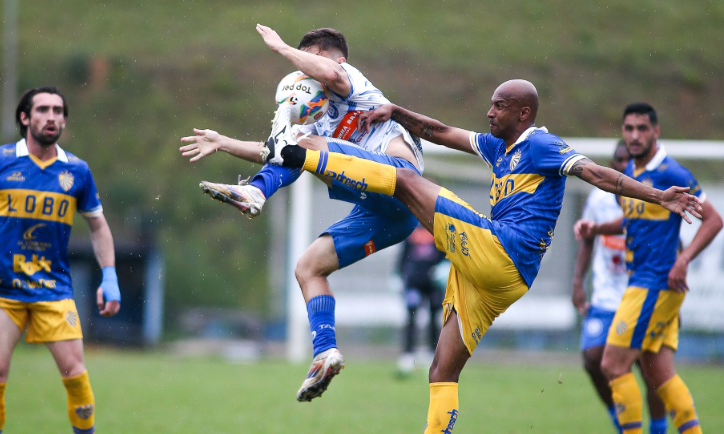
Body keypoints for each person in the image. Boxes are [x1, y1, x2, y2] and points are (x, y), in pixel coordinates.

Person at [261, 79, 703, 433]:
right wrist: (395, 111)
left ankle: (294, 153)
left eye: (499, 106)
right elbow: (439, 132)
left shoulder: (540, 145)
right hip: (501, 278)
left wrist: (657, 195)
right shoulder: (497, 147)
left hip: (502, 250)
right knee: (441, 370)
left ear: (523, 113)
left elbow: (597, 173)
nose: (490, 112)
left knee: (406, 180)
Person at [179, 25, 424, 402]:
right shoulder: (318, 120)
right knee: (308, 267)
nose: (303, 72)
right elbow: (278, 151)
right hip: (389, 214)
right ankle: (325, 352)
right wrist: (223, 142)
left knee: (301, 146)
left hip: (401, 180)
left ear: (336, 59)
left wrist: (280, 48)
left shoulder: (352, 82)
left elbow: (328, 77)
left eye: (309, 60)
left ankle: (255, 193)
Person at [0, 86, 121, 434]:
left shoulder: (77, 171)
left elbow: (98, 227)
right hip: (4, 289)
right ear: (25, 117)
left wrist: (109, 276)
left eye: (59, 111)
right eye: (43, 109)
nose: (52, 117)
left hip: (54, 290)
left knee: (76, 377)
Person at [575, 103, 722, 434]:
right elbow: (632, 219)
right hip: (646, 283)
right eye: (629, 128)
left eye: (642, 128)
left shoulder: (673, 174)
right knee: (659, 375)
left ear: (656, 131)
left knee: (612, 365)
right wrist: (597, 228)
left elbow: (714, 220)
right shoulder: (631, 168)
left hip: (654, 284)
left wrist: (683, 260)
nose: (635, 135)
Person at [572, 140, 668, 434]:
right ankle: (620, 419)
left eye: (630, 160)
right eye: (619, 159)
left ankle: (658, 428)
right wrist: (577, 282)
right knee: (592, 359)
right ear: (612, 164)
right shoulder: (598, 200)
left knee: (650, 370)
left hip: (643, 294)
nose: (623, 165)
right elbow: (588, 238)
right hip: (606, 297)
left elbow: (672, 243)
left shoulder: (651, 199)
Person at [395, 224, 445, 376]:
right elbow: (404, 255)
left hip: (434, 283)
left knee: (434, 318)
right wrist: (397, 274)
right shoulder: (411, 228)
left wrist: (445, 266)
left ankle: (433, 354)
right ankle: (408, 354)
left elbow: (445, 253)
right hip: (414, 282)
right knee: (411, 317)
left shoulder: (438, 227)